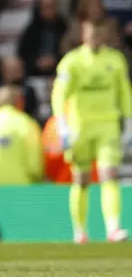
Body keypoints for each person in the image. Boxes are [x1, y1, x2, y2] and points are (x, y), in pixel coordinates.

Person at [51, 19, 132, 244]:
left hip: (107, 126)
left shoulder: (115, 60)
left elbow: (124, 92)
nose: (95, 37)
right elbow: (59, 94)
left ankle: (113, 228)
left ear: (104, 35)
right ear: (83, 34)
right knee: (81, 179)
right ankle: (80, 231)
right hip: (80, 127)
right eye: (91, 33)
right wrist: (63, 125)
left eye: (99, 33)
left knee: (110, 176)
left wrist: (128, 122)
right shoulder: (72, 61)